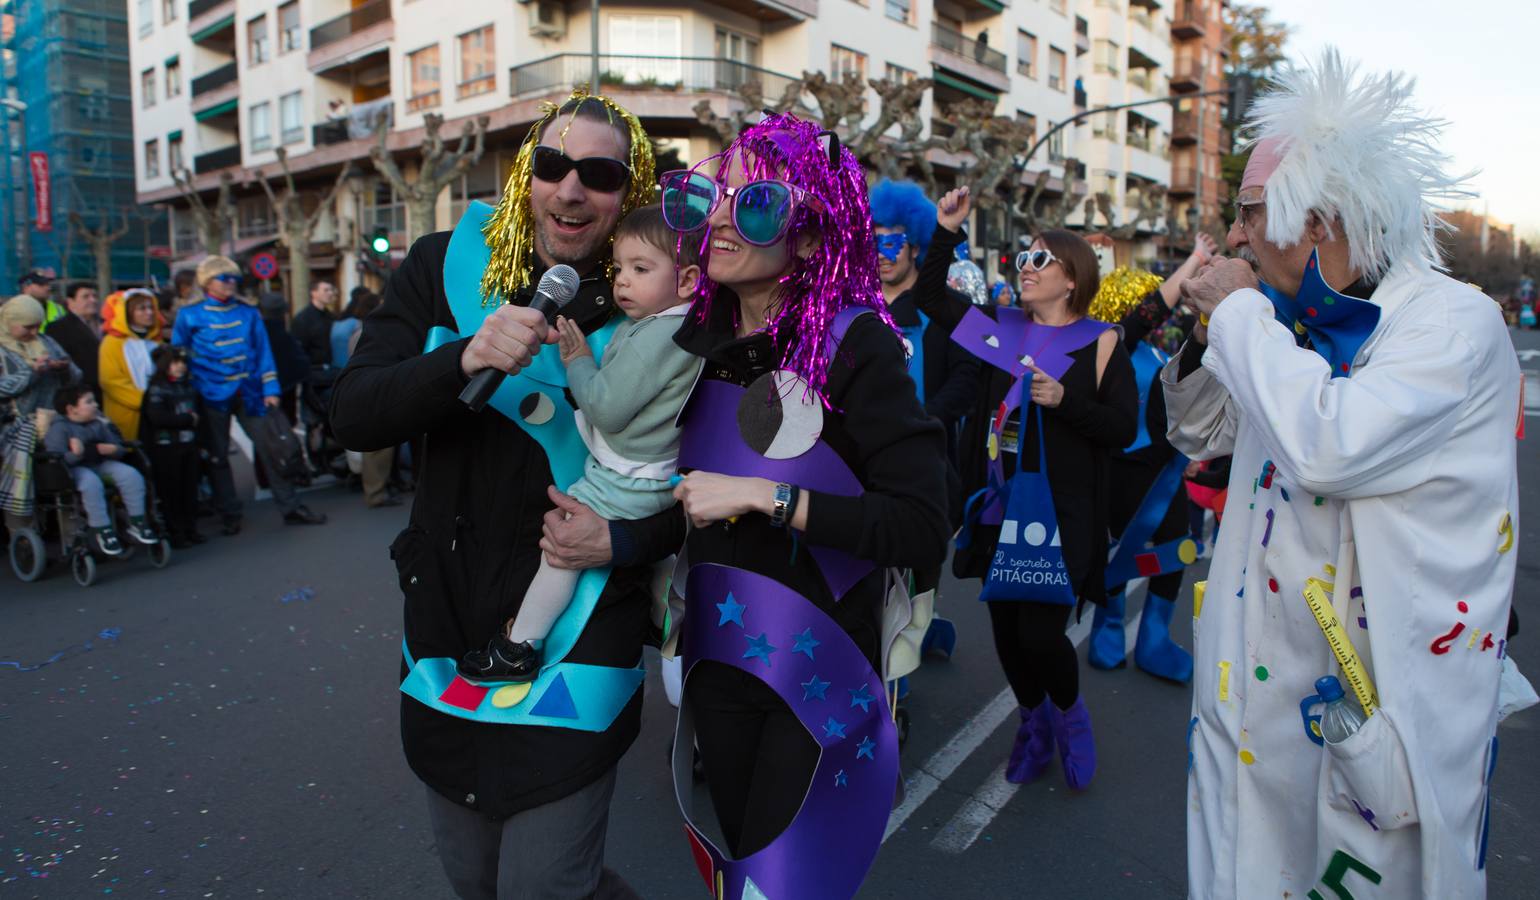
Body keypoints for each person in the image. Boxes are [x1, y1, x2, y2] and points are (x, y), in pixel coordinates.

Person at [1165, 50, 1519, 898]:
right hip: (1253, 708)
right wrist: (1211, 326)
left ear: (1318, 218)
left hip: (1367, 724)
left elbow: (1332, 443)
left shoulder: (1451, 326)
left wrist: (1243, 313)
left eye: (1251, 213)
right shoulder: (1283, 327)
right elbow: (1195, 429)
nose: (1238, 234)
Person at [330, 88, 667, 900]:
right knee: (474, 878)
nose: (572, 189)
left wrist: (620, 544)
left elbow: (697, 492)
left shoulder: (671, 314)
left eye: (599, 173)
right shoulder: (446, 264)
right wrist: (462, 360)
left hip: (581, 626)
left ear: (632, 195)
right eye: (553, 165)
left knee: (544, 884)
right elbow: (352, 413)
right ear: (527, 175)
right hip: (447, 622)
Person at [664, 112, 949, 899]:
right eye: (714, 195)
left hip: (815, 677)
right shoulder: (694, 344)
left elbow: (923, 523)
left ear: (814, 240)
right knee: (740, 863)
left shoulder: (859, 347)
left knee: (783, 884)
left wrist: (769, 496)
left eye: (754, 203)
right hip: (718, 662)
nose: (721, 217)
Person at [925, 186, 1137, 790]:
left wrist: (1066, 401)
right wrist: (946, 229)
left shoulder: (1101, 343)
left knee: (1042, 635)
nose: (1025, 267)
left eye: (1040, 260)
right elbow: (929, 298)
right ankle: (1032, 725)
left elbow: (1121, 430)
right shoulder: (1002, 327)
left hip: (1063, 512)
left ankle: (1070, 717)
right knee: (1008, 635)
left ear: (1072, 279)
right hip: (999, 507)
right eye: (1023, 257)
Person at [461, 205, 701, 684]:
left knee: (564, 549)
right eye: (620, 268)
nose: (623, 283)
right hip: (647, 477)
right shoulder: (680, 326)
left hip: (624, 481)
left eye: (641, 269)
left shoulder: (662, 334)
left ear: (689, 280)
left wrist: (576, 361)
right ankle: (670, 615)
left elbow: (606, 407)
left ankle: (519, 646)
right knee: (644, 560)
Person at [1083, 237, 1217, 681]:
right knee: (1121, 553)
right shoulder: (1110, 345)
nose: (1156, 312)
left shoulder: (1160, 352)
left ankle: (1154, 639)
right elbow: (1151, 311)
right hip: (1124, 467)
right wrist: (1195, 260)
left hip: (1165, 470)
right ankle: (1108, 629)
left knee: (1175, 551)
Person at [172, 256, 326, 535]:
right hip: (209, 395)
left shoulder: (248, 312)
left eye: (234, 279)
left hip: (249, 392)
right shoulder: (189, 315)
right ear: (208, 282)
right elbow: (178, 356)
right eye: (225, 278)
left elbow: (263, 351)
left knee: (271, 449)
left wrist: (270, 389)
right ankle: (230, 513)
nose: (231, 284)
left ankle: (290, 507)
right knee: (218, 457)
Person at [43, 383, 158, 556]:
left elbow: (117, 447)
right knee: (91, 483)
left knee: (130, 475)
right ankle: (102, 530)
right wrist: (76, 454)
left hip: (100, 464)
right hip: (75, 469)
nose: (95, 405)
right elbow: (56, 459)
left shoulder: (98, 424)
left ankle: (138, 522)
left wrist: (114, 449)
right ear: (71, 409)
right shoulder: (60, 428)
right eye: (89, 402)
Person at [0, 296, 80, 528]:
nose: (34, 331)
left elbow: (76, 376)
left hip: (53, 422)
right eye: (27, 326)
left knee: (62, 478)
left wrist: (64, 369)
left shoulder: (48, 342)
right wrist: (32, 372)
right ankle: (23, 542)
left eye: (37, 325)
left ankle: (71, 537)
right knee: (18, 486)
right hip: (13, 430)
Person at [142, 344, 204, 548]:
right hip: (166, 448)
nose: (180, 367)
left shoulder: (188, 386)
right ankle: (175, 532)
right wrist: (187, 419)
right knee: (171, 492)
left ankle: (190, 529)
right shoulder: (157, 389)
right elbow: (157, 418)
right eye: (175, 363)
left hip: (189, 445)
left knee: (190, 489)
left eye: (183, 363)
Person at [98, 289, 164, 442]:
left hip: (157, 415)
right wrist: (144, 400)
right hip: (129, 414)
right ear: (128, 312)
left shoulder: (156, 342)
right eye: (142, 308)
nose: (149, 313)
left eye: (151, 308)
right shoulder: (112, 343)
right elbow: (111, 381)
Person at [47, 282, 103, 392]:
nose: (93, 300)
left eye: (95, 296)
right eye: (86, 297)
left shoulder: (105, 324)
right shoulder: (58, 327)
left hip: (106, 389)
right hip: (80, 391)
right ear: (70, 301)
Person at [291, 280, 339, 368]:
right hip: (315, 371)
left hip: (332, 369)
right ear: (314, 293)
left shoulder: (331, 316)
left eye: (331, 290)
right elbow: (299, 349)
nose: (330, 293)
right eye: (326, 290)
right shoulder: (303, 318)